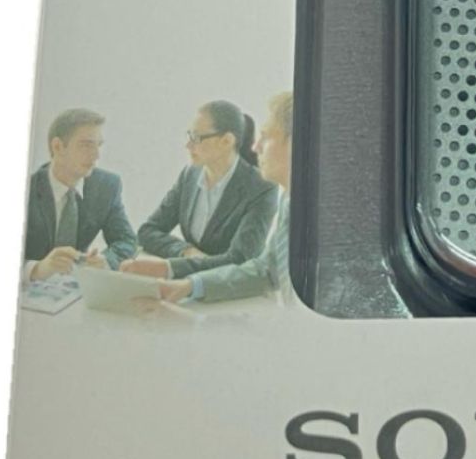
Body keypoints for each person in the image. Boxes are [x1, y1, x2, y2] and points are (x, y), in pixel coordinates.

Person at [154, 91, 293, 305]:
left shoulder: (328, 218)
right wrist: (190, 284)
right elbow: (266, 270)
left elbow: (242, 259)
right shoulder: (290, 202)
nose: (255, 147)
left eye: (266, 136)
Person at [121, 100, 277, 281]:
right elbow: (147, 231)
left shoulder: (262, 187)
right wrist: (186, 251)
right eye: (189, 135)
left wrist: (170, 268)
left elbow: (240, 260)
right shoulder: (189, 175)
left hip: (232, 290)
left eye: (196, 138)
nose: (188, 145)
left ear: (227, 141)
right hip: (185, 285)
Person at [24, 108, 138, 280]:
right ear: (58, 147)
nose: (96, 155)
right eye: (86, 145)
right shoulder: (28, 189)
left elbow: (127, 241)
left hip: (76, 287)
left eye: (98, 145)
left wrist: (106, 260)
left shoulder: (106, 186)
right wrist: (36, 269)